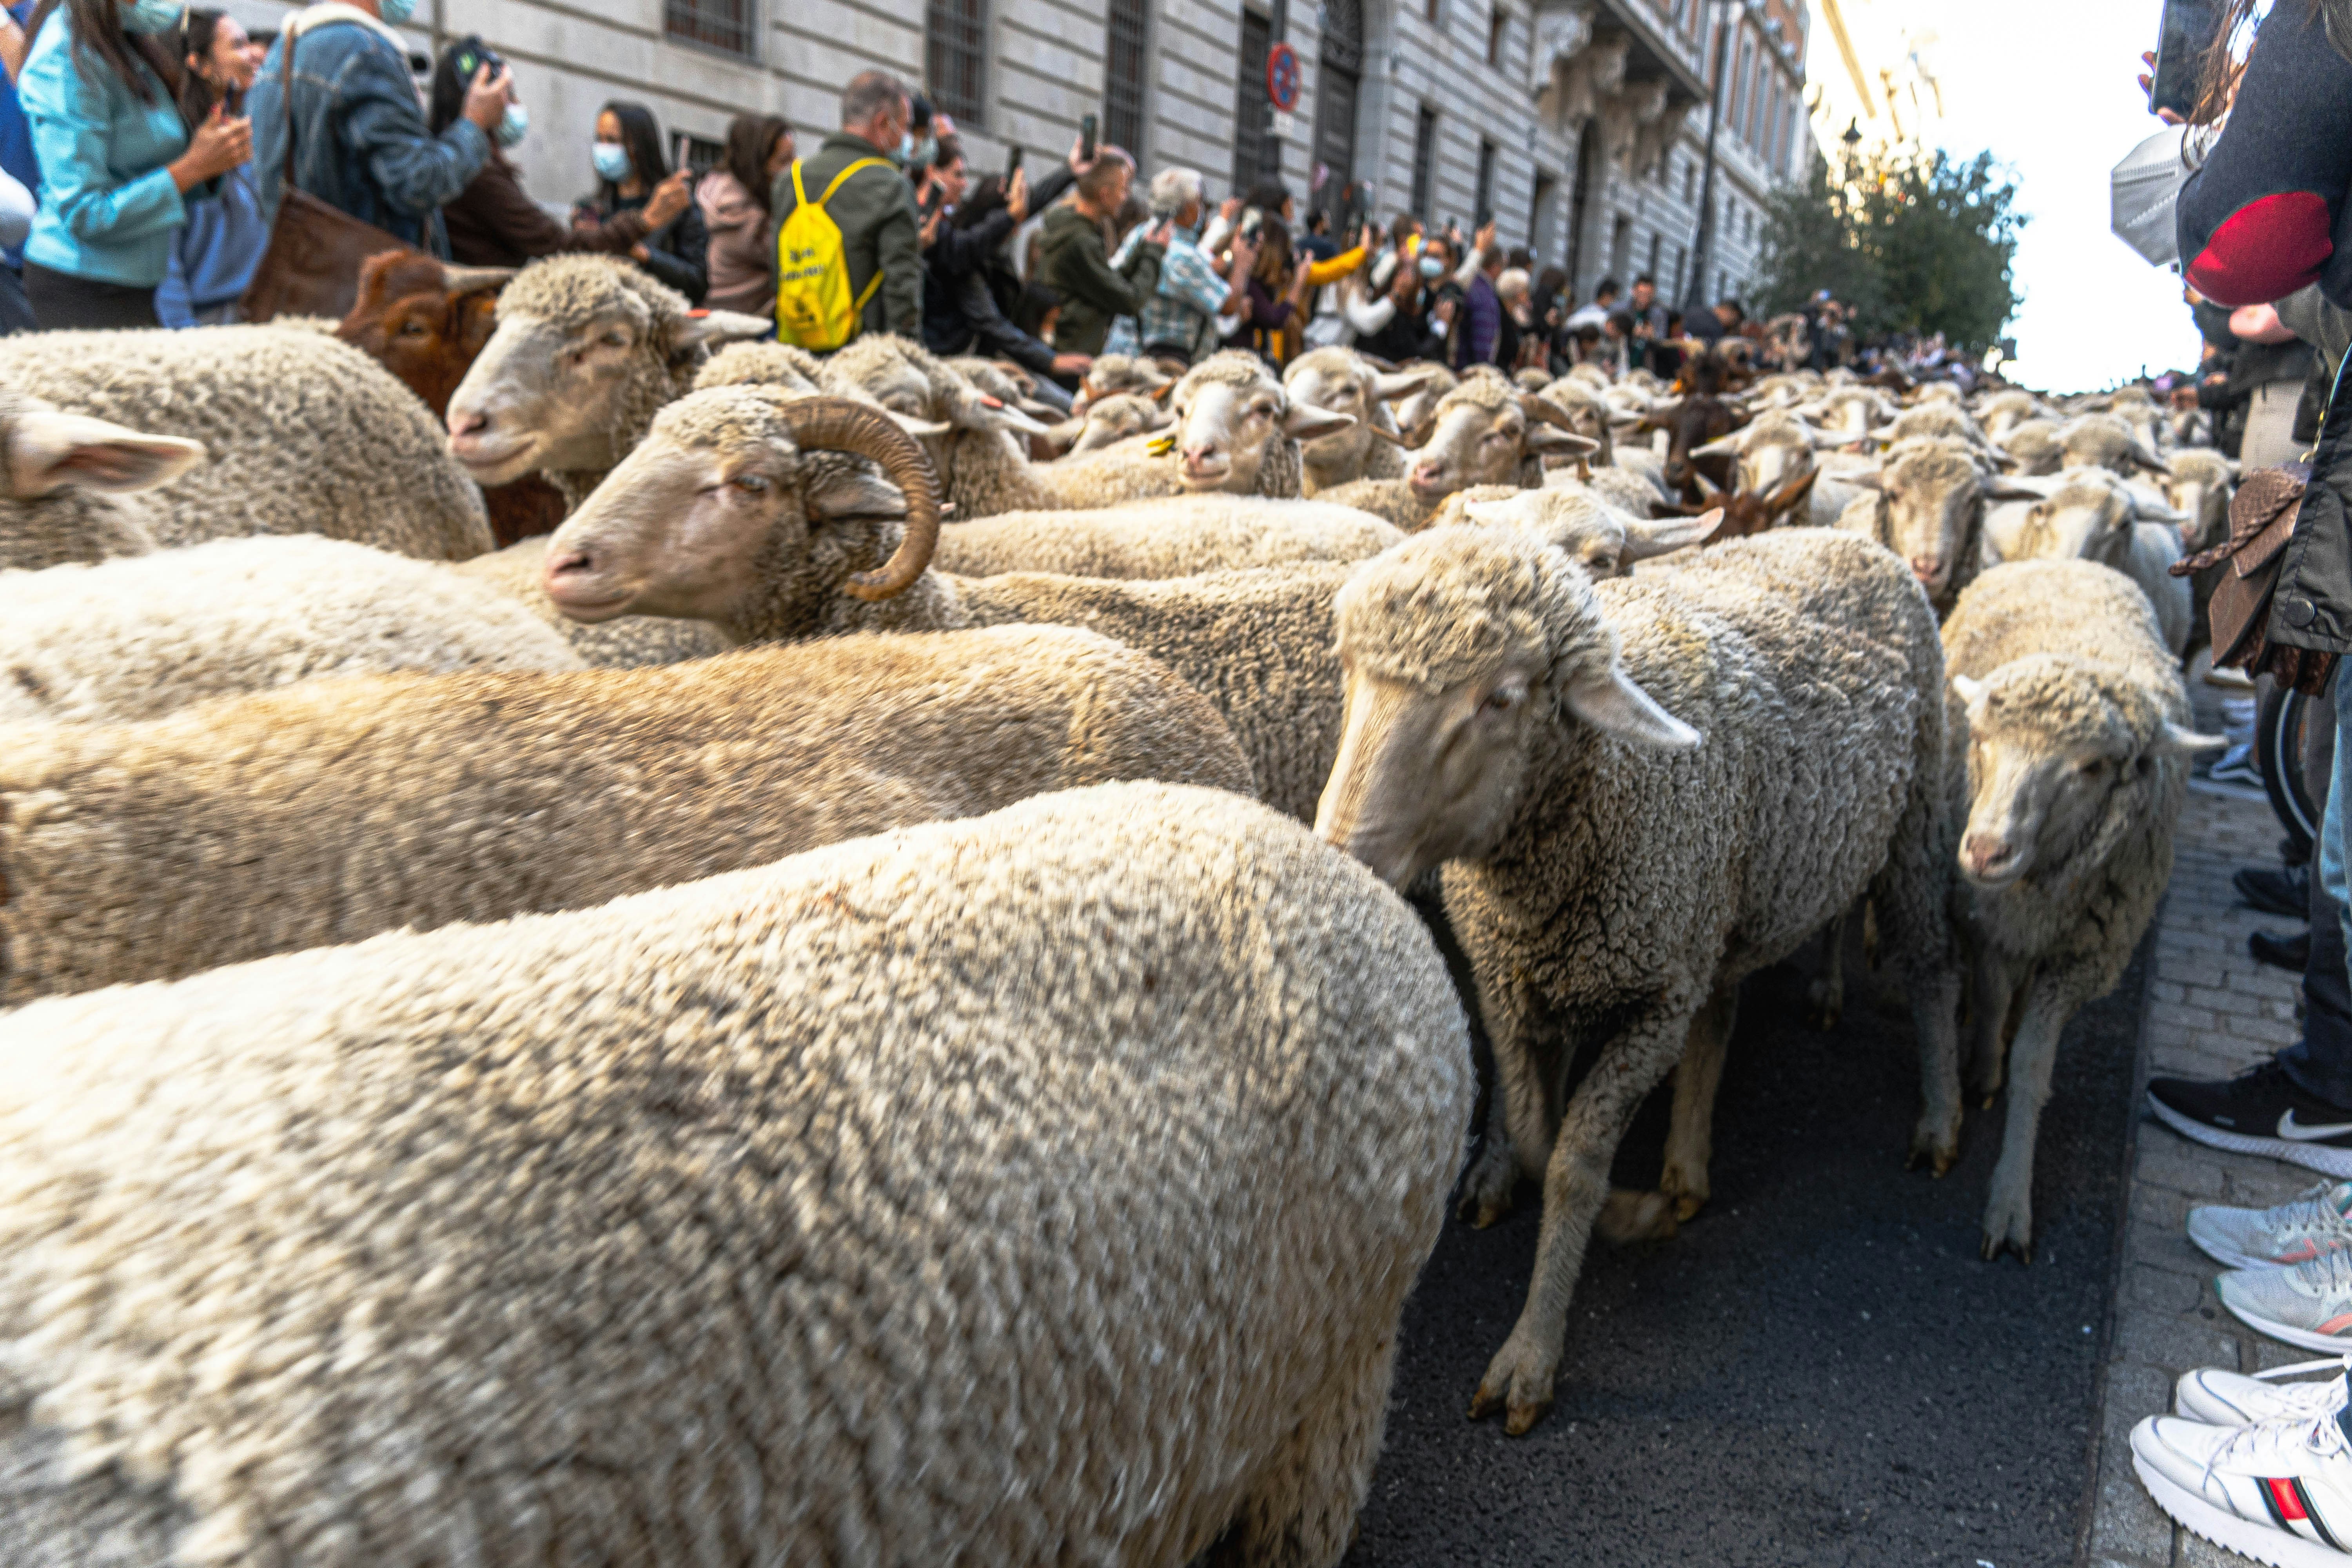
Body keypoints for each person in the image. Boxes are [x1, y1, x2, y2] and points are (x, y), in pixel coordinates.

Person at [17, 0, 249, 328]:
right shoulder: (65, 54)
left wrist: (215, 157)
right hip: (82, 285)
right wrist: (191, 168)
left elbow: (150, 171)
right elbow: (84, 213)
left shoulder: (126, 37)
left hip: (135, 284)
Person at [247, 0, 508, 261]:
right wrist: (475, 123)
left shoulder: (282, 53)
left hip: (307, 285)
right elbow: (418, 184)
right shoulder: (367, 53)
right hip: (371, 289)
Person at [432, 42, 686, 272]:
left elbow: (695, 277)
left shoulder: (461, 161)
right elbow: (558, 245)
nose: (515, 103)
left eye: (614, 141)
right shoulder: (478, 171)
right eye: (508, 94)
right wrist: (643, 222)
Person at [770, 67, 920, 342]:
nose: (908, 139)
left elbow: (777, 271)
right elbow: (902, 289)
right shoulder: (891, 186)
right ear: (883, 123)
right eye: (906, 126)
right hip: (863, 357)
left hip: (798, 349)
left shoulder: (790, 180)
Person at [155, 7, 262, 325]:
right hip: (205, 328)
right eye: (238, 45)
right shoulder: (174, 145)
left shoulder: (241, 130)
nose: (253, 54)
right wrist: (185, 344)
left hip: (259, 320)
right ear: (199, 64)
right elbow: (163, 263)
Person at [1100, 165, 1251, 368]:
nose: (1202, 210)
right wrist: (1242, 263)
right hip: (1157, 368)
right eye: (1200, 203)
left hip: (1126, 356)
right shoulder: (1182, 254)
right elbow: (1227, 306)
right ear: (1188, 208)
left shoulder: (1143, 232)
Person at [1037, 145, 1165, 359]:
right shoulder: (1080, 240)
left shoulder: (1076, 230)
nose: (1126, 198)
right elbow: (1129, 300)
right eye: (1124, 189)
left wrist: (1144, 249)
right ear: (1105, 195)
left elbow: (1108, 282)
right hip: (1069, 357)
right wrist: (1154, 251)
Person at [571, 102, 704, 304]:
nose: (603, 149)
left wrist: (647, 256)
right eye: (600, 140)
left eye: (613, 140)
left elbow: (697, 284)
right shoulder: (592, 208)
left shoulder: (676, 207)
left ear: (639, 145)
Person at [696, 112, 788, 316]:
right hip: (744, 331)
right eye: (785, 161)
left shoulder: (717, 192)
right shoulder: (743, 216)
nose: (794, 168)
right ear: (758, 163)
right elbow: (791, 259)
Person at [1451, 239, 1503, 371]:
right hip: (1469, 369)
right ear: (1496, 267)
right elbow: (1483, 340)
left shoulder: (1475, 286)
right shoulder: (1484, 294)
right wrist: (1484, 370)